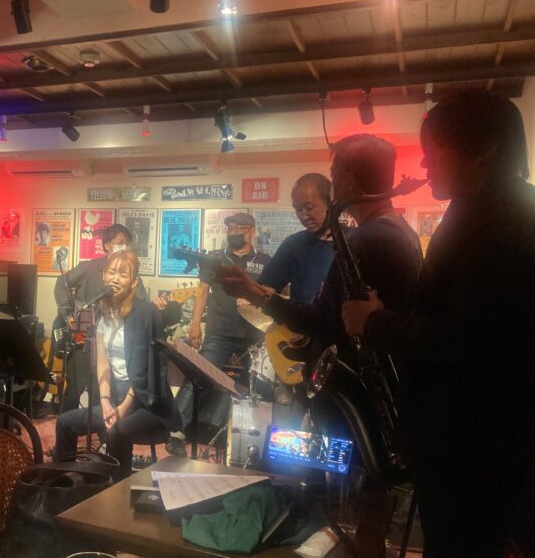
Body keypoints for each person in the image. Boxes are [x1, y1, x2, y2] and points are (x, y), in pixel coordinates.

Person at [342, 92, 535, 557]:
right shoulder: (484, 209)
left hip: (471, 444)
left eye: (433, 149)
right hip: (466, 438)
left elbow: (466, 340)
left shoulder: (507, 221)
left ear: (483, 150)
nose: (425, 163)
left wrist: (376, 322)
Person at [215, 134, 422, 447]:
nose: (333, 187)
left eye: (334, 176)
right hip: (384, 389)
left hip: (359, 389)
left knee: (343, 465)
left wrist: (257, 295)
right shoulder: (402, 232)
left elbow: (320, 320)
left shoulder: (365, 240)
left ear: (348, 181)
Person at [54, 251, 180, 478]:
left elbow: (143, 370)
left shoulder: (145, 312)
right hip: (114, 396)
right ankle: (62, 482)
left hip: (145, 401)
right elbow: (103, 365)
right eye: (111, 272)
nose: (115, 279)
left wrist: (123, 408)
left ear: (134, 281)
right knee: (65, 422)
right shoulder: (102, 314)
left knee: (117, 432)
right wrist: (104, 401)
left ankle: (118, 488)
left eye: (122, 274)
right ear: (103, 276)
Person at [166, 212, 271, 457]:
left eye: (238, 228)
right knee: (199, 376)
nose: (233, 232)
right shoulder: (214, 258)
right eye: (229, 228)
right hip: (219, 331)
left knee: (251, 386)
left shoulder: (265, 261)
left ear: (251, 231)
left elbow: (272, 292)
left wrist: (255, 299)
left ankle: (233, 434)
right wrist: (195, 325)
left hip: (254, 333)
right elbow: (202, 291)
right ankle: (176, 431)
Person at [258, 173, 335, 419]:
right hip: (297, 348)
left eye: (309, 207)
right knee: (288, 426)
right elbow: (266, 288)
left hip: (337, 354)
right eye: (297, 209)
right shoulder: (294, 244)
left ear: (329, 201)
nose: (303, 215)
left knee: (331, 425)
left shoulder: (353, 242)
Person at [54, 224, 146, 413]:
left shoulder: (132, 274)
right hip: (83, 341)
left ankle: (101, 426)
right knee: (74, 390)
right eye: (120, 242)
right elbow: (61, 283)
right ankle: (66, 424)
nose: (124, 247)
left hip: (111, 343)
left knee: (100, 392)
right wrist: (68, 313)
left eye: (127, 243)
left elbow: (142, 302)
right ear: (107, 245)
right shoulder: (89, 267)